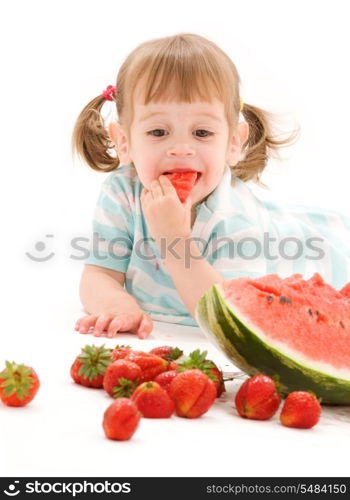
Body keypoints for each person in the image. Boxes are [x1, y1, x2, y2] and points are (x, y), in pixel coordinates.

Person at [71, 32, 350, 340]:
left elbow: (229, 315)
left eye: (202, 132)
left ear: (232, 144)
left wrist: (173, 239)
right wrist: (117, 304)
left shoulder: (234, 217)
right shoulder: (122, 192)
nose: (180, 148)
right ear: (124, 142)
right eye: (158, 131)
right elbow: (99, 273)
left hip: (325, 253)